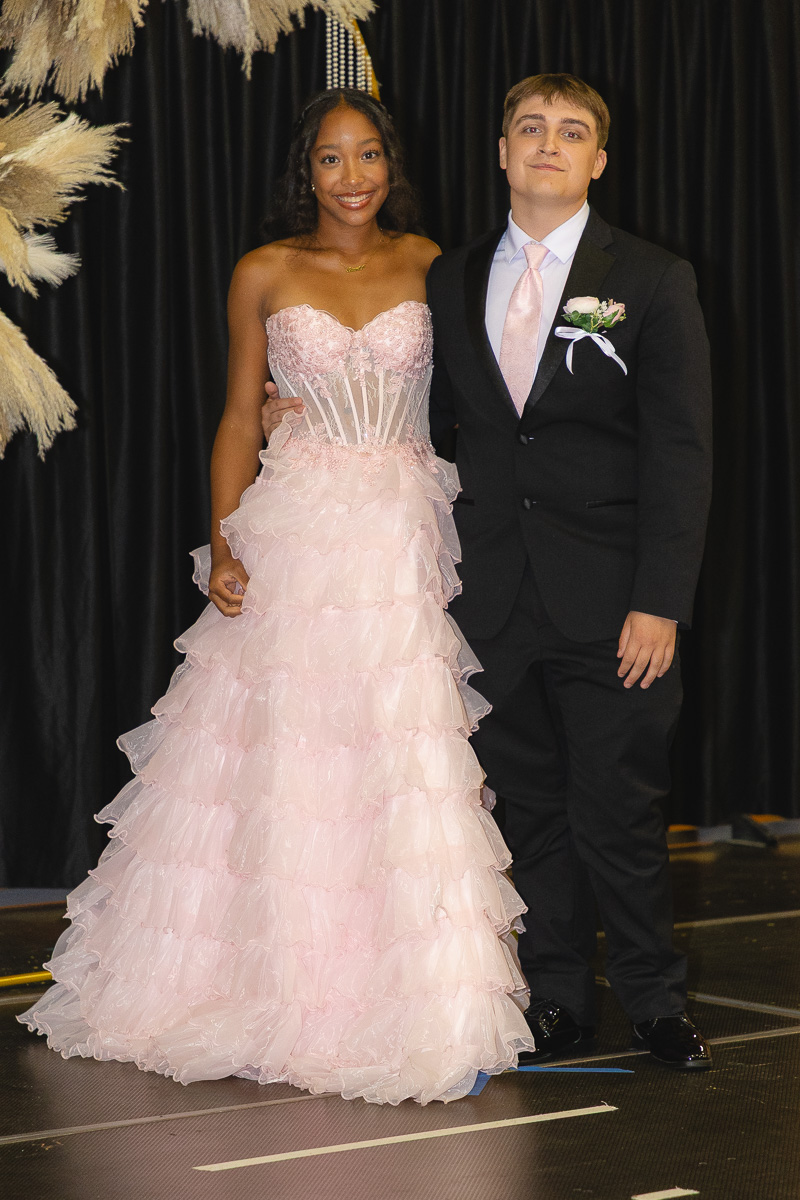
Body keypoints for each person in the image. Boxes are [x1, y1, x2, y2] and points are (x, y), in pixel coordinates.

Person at [19, 88, 534, 1105]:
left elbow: (480, 398)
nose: (352, 176)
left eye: (368, 155)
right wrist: (222, 539)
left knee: (393, 747)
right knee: (284, 747)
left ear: (393, 164)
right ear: (305, 171)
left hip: (397, 530)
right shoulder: (264, 270)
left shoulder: (435, 263)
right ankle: (263, 984)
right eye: (331, 159)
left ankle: (408, 1001)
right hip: (294, 525)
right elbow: (233, 416)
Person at [265, 73, 715, 1073]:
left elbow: (679, 454)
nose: (546, 145)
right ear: (501, 152)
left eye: (569, 132)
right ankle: (555, 999)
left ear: (597, 157)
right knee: (528, 812)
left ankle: (650, 1002)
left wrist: (658, 602)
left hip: (612, 606)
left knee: (619, 808)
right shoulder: (451, 277)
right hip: (488, 598)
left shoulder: (647, 278)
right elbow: (425, 424)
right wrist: (293, 415)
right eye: (528, 128)